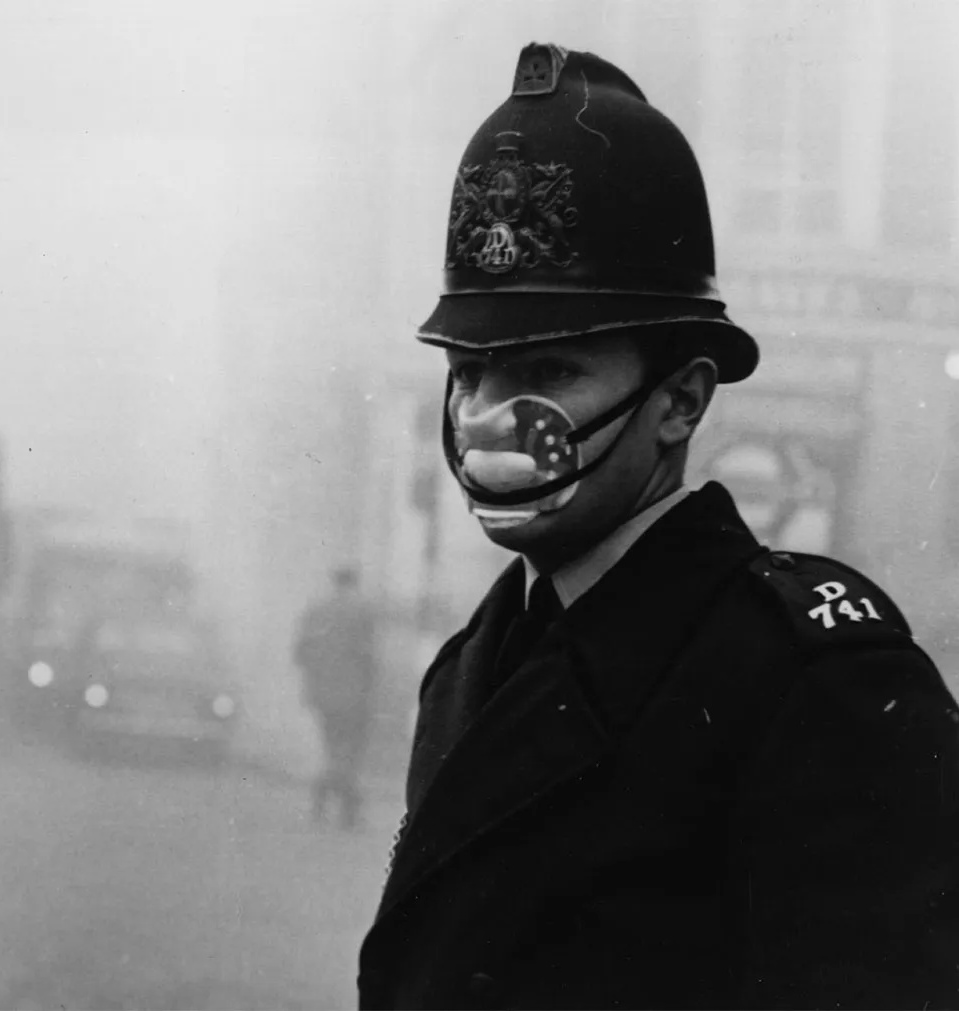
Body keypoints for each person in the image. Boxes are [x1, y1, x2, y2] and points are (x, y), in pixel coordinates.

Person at [358, 43, 959, 1010]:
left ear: (679, 401)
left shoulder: (815, 679)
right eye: (469, 372)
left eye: (549, 372)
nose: (488, 416)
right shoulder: (471, 665)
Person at [294, 566, 378, 830]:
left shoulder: (316, 610)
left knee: (332, 748)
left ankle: (323, 802)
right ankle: (345, 809)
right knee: (349, 752)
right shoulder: (362, 611)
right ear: (354, 583)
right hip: (353, 695)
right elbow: (368, 656)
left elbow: (300, 653)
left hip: (322, 695)